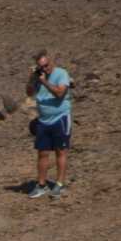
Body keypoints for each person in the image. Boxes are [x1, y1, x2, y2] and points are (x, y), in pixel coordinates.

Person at [26, 50, 72, 199]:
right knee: (42, 153)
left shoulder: (61, 74)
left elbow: (60, 93)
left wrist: (44, 81)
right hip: (44, 120)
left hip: (60, 118)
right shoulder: (38, 76)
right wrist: (31, 79)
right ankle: (41, 185)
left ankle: (59, 184)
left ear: (51, 62)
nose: (45, 69)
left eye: (46, 65)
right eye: (41, 67)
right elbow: (29, 93)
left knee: (60, 151)